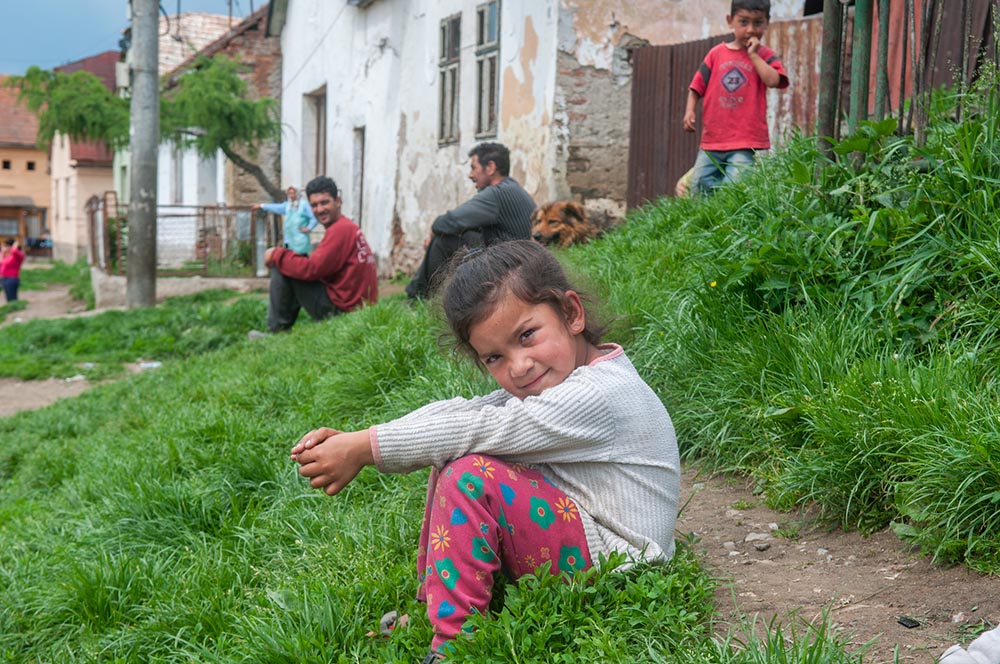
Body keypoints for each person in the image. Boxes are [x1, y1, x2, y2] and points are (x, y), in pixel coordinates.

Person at [291, 240, 680, 662]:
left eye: (527, 336)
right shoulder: (571, 378)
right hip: (588, 534)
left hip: (621, 563)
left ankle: (455, 647)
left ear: (571, 313)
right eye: (495, 357)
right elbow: (470, 411)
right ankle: (441, 610)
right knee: (456, 455)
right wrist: (363, 435)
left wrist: (367, 446)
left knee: (468, 475)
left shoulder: (601, 393)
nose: (518, 366)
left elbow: (480, 426)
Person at [682, 0, 789, 195]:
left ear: (767, 23)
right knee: (700, 184)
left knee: (736, 187)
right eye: (743, 22)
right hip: (713, 139)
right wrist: (689, 110)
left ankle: (730, 221)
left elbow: (774, 80)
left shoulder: (765, 55)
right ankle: (703, 221)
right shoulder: (715, 54)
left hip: (745, 140)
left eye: (757, 23)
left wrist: (754, 56)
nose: (750, 29)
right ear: (730, 21)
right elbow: (697, 86)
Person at [405, 142, 537, 300]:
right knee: (460, 233)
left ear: (490, 168)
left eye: (474, 168)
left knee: (443, 240)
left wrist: (433, 231)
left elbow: (451, 220)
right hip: (517, 259)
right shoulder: (512, 188)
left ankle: (419, 297)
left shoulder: (496, 194)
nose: (470, 175)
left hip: (509, 265)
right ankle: (423, 294)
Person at [256, 176, 378, 334]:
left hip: (344, 311)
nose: (319, 209)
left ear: (338, 201)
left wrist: (275, 254)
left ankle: (276, 331)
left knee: (282, 264)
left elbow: (312, 269)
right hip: (357, 308)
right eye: (314, 205)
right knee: (291, 262)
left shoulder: (339, 230)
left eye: (324, 202)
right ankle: (280, 327)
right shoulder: (346, 226)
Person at [252, 185, 318, 255]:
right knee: (289, 260)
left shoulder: (304, 205)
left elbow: (314, 217)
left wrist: (308, 228)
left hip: (299, 239)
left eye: (293, 193)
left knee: (301, 259)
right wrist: (262, 206)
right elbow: (277, 207)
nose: (291, 196)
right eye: (289, 193)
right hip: (289, 239)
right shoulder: (288, 205)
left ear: (297, 193)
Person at [1, 238, 26, 303]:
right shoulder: (6, 255)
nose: (4, 248)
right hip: (4, 279)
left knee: (12, 298)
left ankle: (15, 308)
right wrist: (3, 253)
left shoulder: (18, 255)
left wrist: (14, 246)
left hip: (12, 279)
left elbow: (14, 251)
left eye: (6, 246)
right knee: (8, 298)